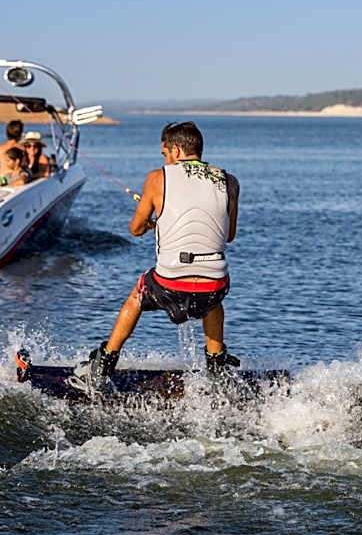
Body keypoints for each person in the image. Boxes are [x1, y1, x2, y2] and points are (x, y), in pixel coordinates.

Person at [70, 121, 241, 396]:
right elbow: (229, 235)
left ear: (175, 150)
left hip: (170, 282)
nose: (164, 160)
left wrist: (152, 223)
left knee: (138, 295)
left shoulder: (157, 178)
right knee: (213, 300)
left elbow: (135, 229)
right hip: (214, 284)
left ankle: (102, 367)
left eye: (164, 154)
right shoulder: (229, 180)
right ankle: (216, 369)